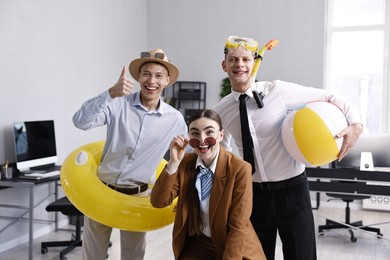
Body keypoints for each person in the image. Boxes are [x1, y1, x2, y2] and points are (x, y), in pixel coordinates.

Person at [213, 36, 363, 260]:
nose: (239, 64)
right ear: (224, 65)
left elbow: (331, 96)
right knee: (256, 257)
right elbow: (221, 156)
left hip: (292, 191)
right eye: (233, 59)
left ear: (255, 63)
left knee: (302, 256)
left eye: (245, 59)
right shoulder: (221, 110)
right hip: (253, 197)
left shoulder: (278, 91)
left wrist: (356, 125)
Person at [73, 48, 188, 260]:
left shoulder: (175, 119)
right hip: (101, 192)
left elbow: (185, 160)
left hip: (139, 197)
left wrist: (180, 197)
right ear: (138, 77)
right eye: (146, 74)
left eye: (158, 75)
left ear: (167, 80)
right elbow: (80, 121)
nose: (151, 80)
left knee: (133, 256)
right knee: (92, 256)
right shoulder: (117, 104)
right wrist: (110, 93)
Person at [150, 109, 266, 260]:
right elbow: (158, 201)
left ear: (221, 135)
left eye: (209, 132)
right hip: (200, 243)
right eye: (195, 133)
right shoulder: (185, 163)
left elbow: (238, 227)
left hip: (234, 245)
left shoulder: (240, 169)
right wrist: (173, 163)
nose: (202, 140)